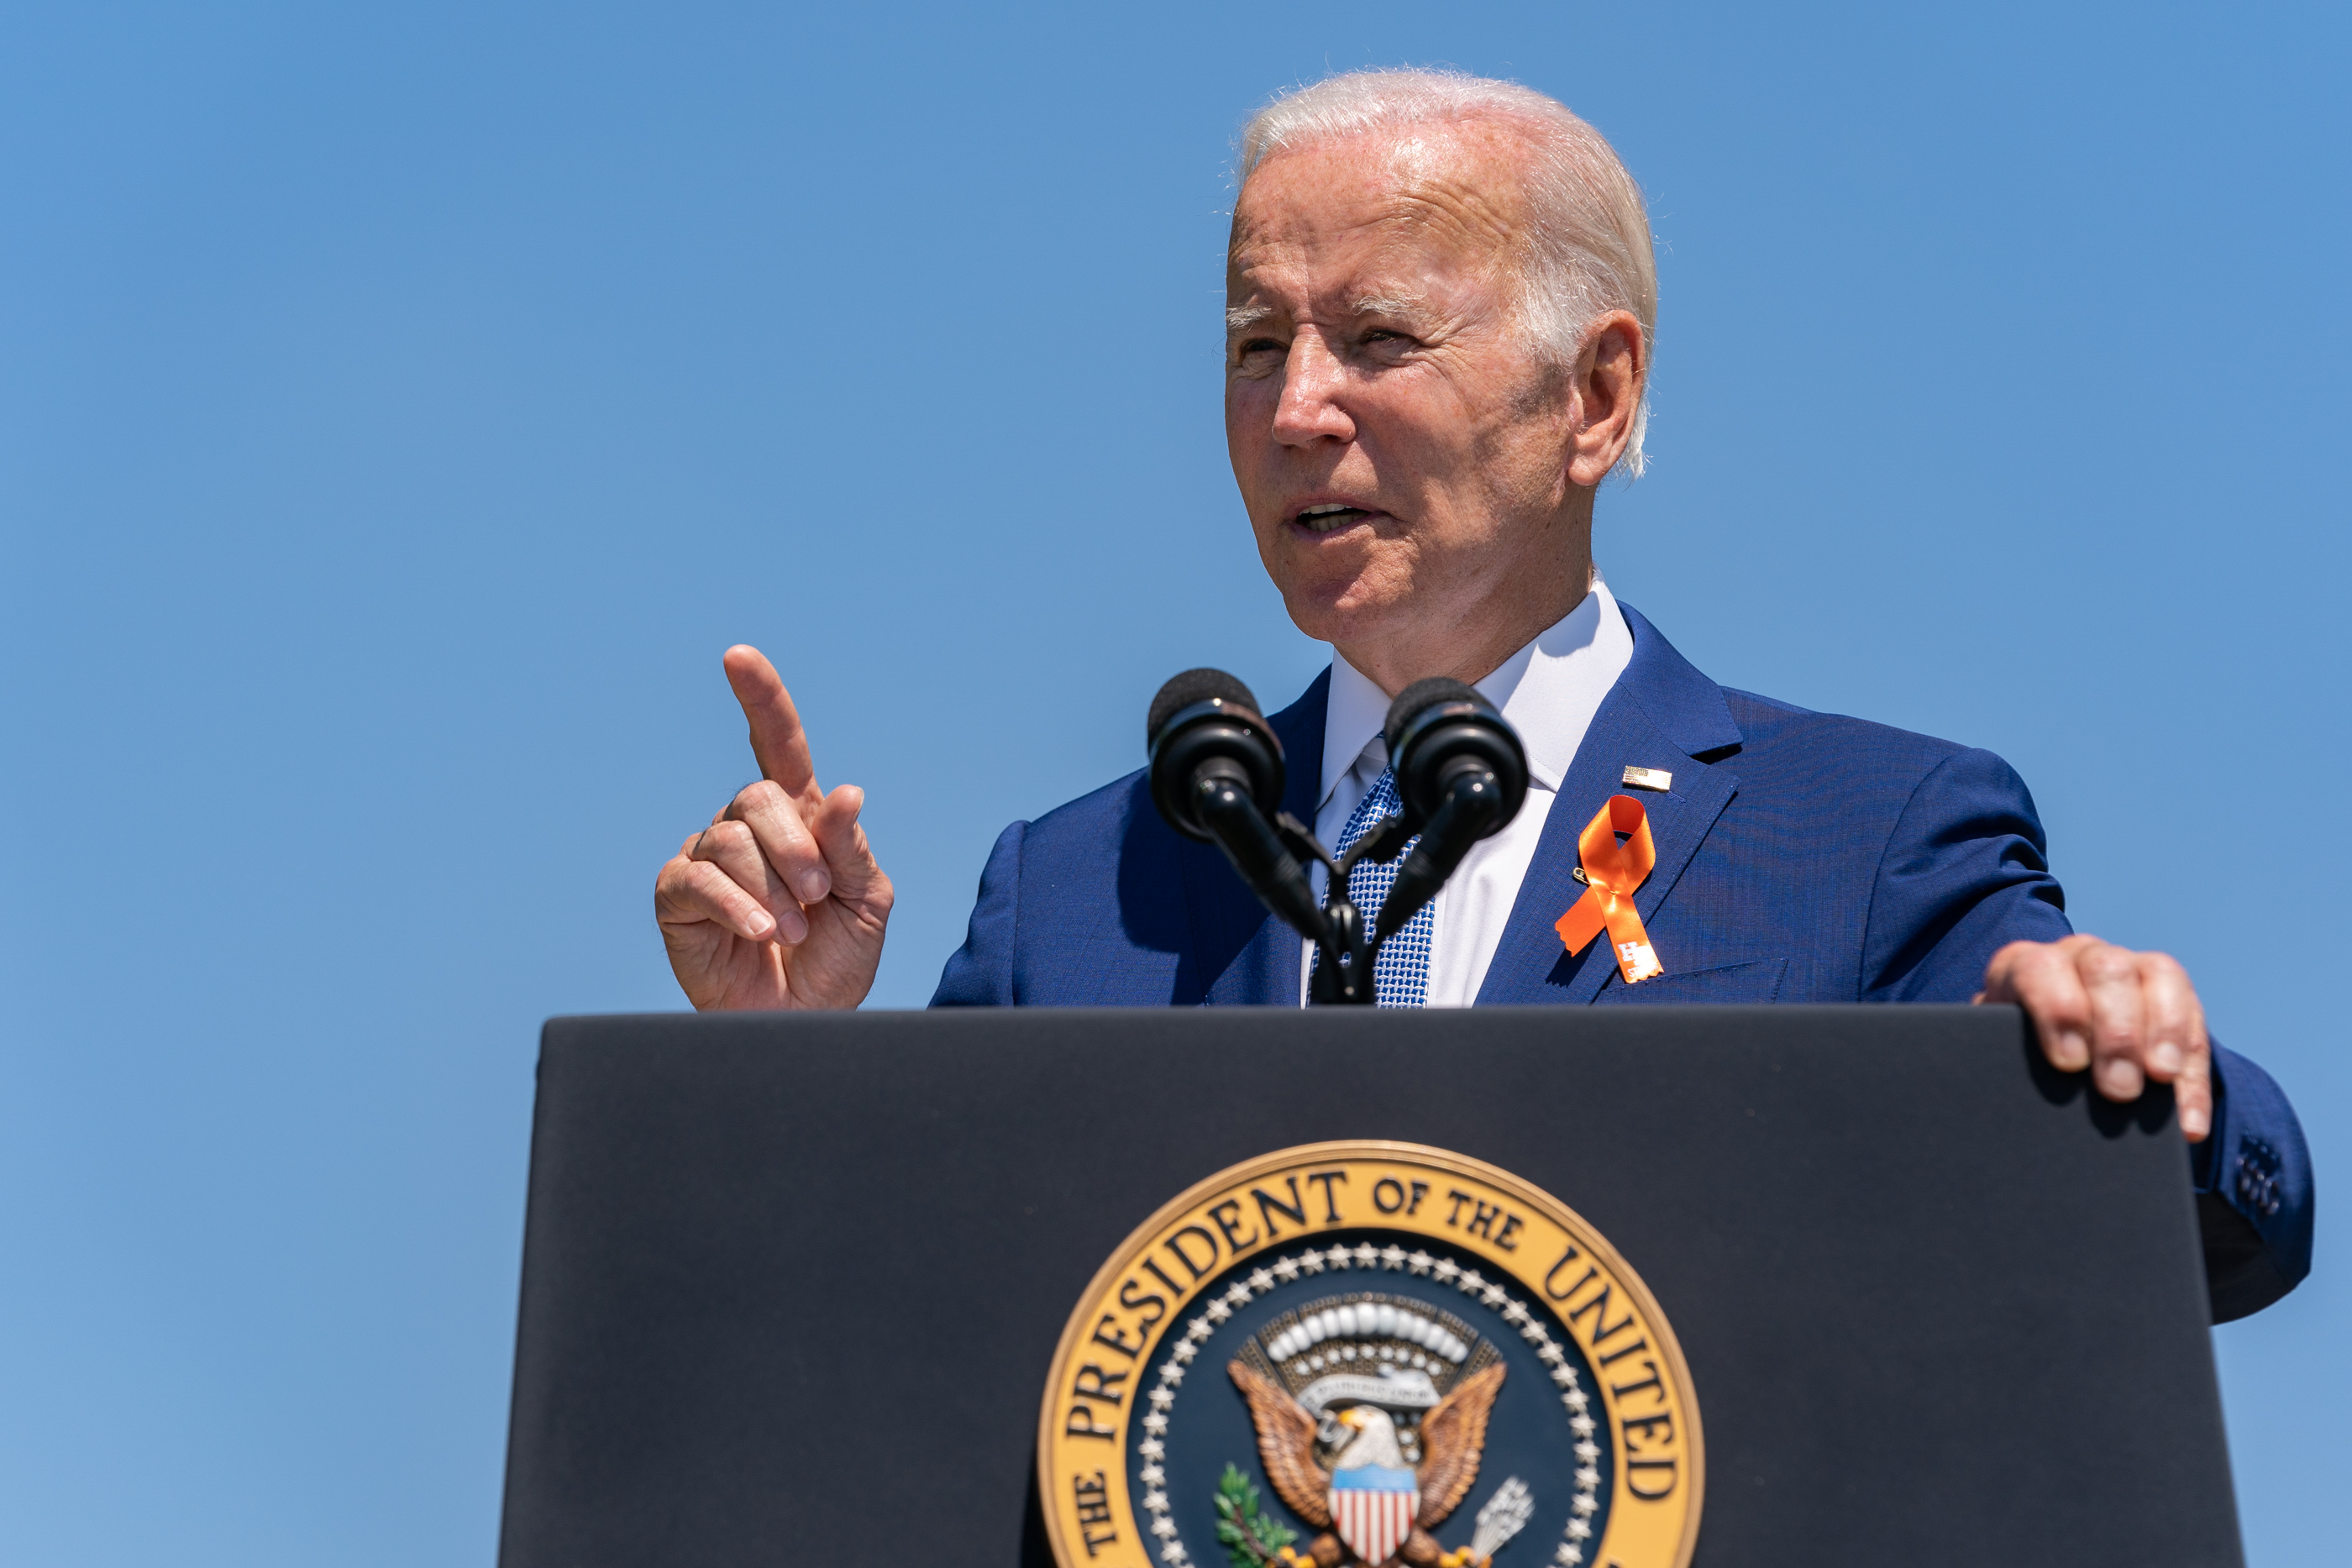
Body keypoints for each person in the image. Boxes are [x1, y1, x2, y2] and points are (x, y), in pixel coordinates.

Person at [652, 70, 2310, 1318]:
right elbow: (901, 1353)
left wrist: (2134, 1062)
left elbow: (2223, 1213)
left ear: (1592, 396)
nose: (1296, 407)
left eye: (1374, 337)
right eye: (1251, 343)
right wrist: (786, 1078)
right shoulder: (1077, 895)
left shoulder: (1863, 836)